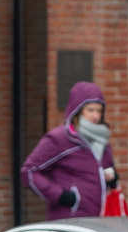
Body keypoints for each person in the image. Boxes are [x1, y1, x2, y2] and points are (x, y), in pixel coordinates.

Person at [20, 81, 116, 219]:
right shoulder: (59, 139)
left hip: (98, 221)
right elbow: (29, 171)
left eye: (99, 110)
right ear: (77, 110)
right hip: (69, 220)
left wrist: (112, 179)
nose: (95, 115)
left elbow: (105, 172)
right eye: (90, 110)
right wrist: (60, 196)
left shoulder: (103, 140)